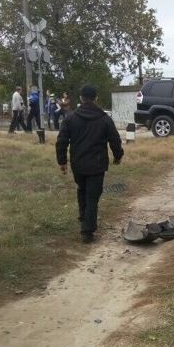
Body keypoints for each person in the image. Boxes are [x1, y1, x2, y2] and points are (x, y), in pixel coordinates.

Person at [56, 85, 124, 243]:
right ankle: (87, 230)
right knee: (92, 196)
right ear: (96, 98)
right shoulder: (104, 119)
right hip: (97, 164)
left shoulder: (71, 118)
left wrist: (62, 161)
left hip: (78, 164)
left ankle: (84, 218)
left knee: (82, 189)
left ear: (81, 98)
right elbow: (115, 139)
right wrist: (118, 156)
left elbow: (61, 141)